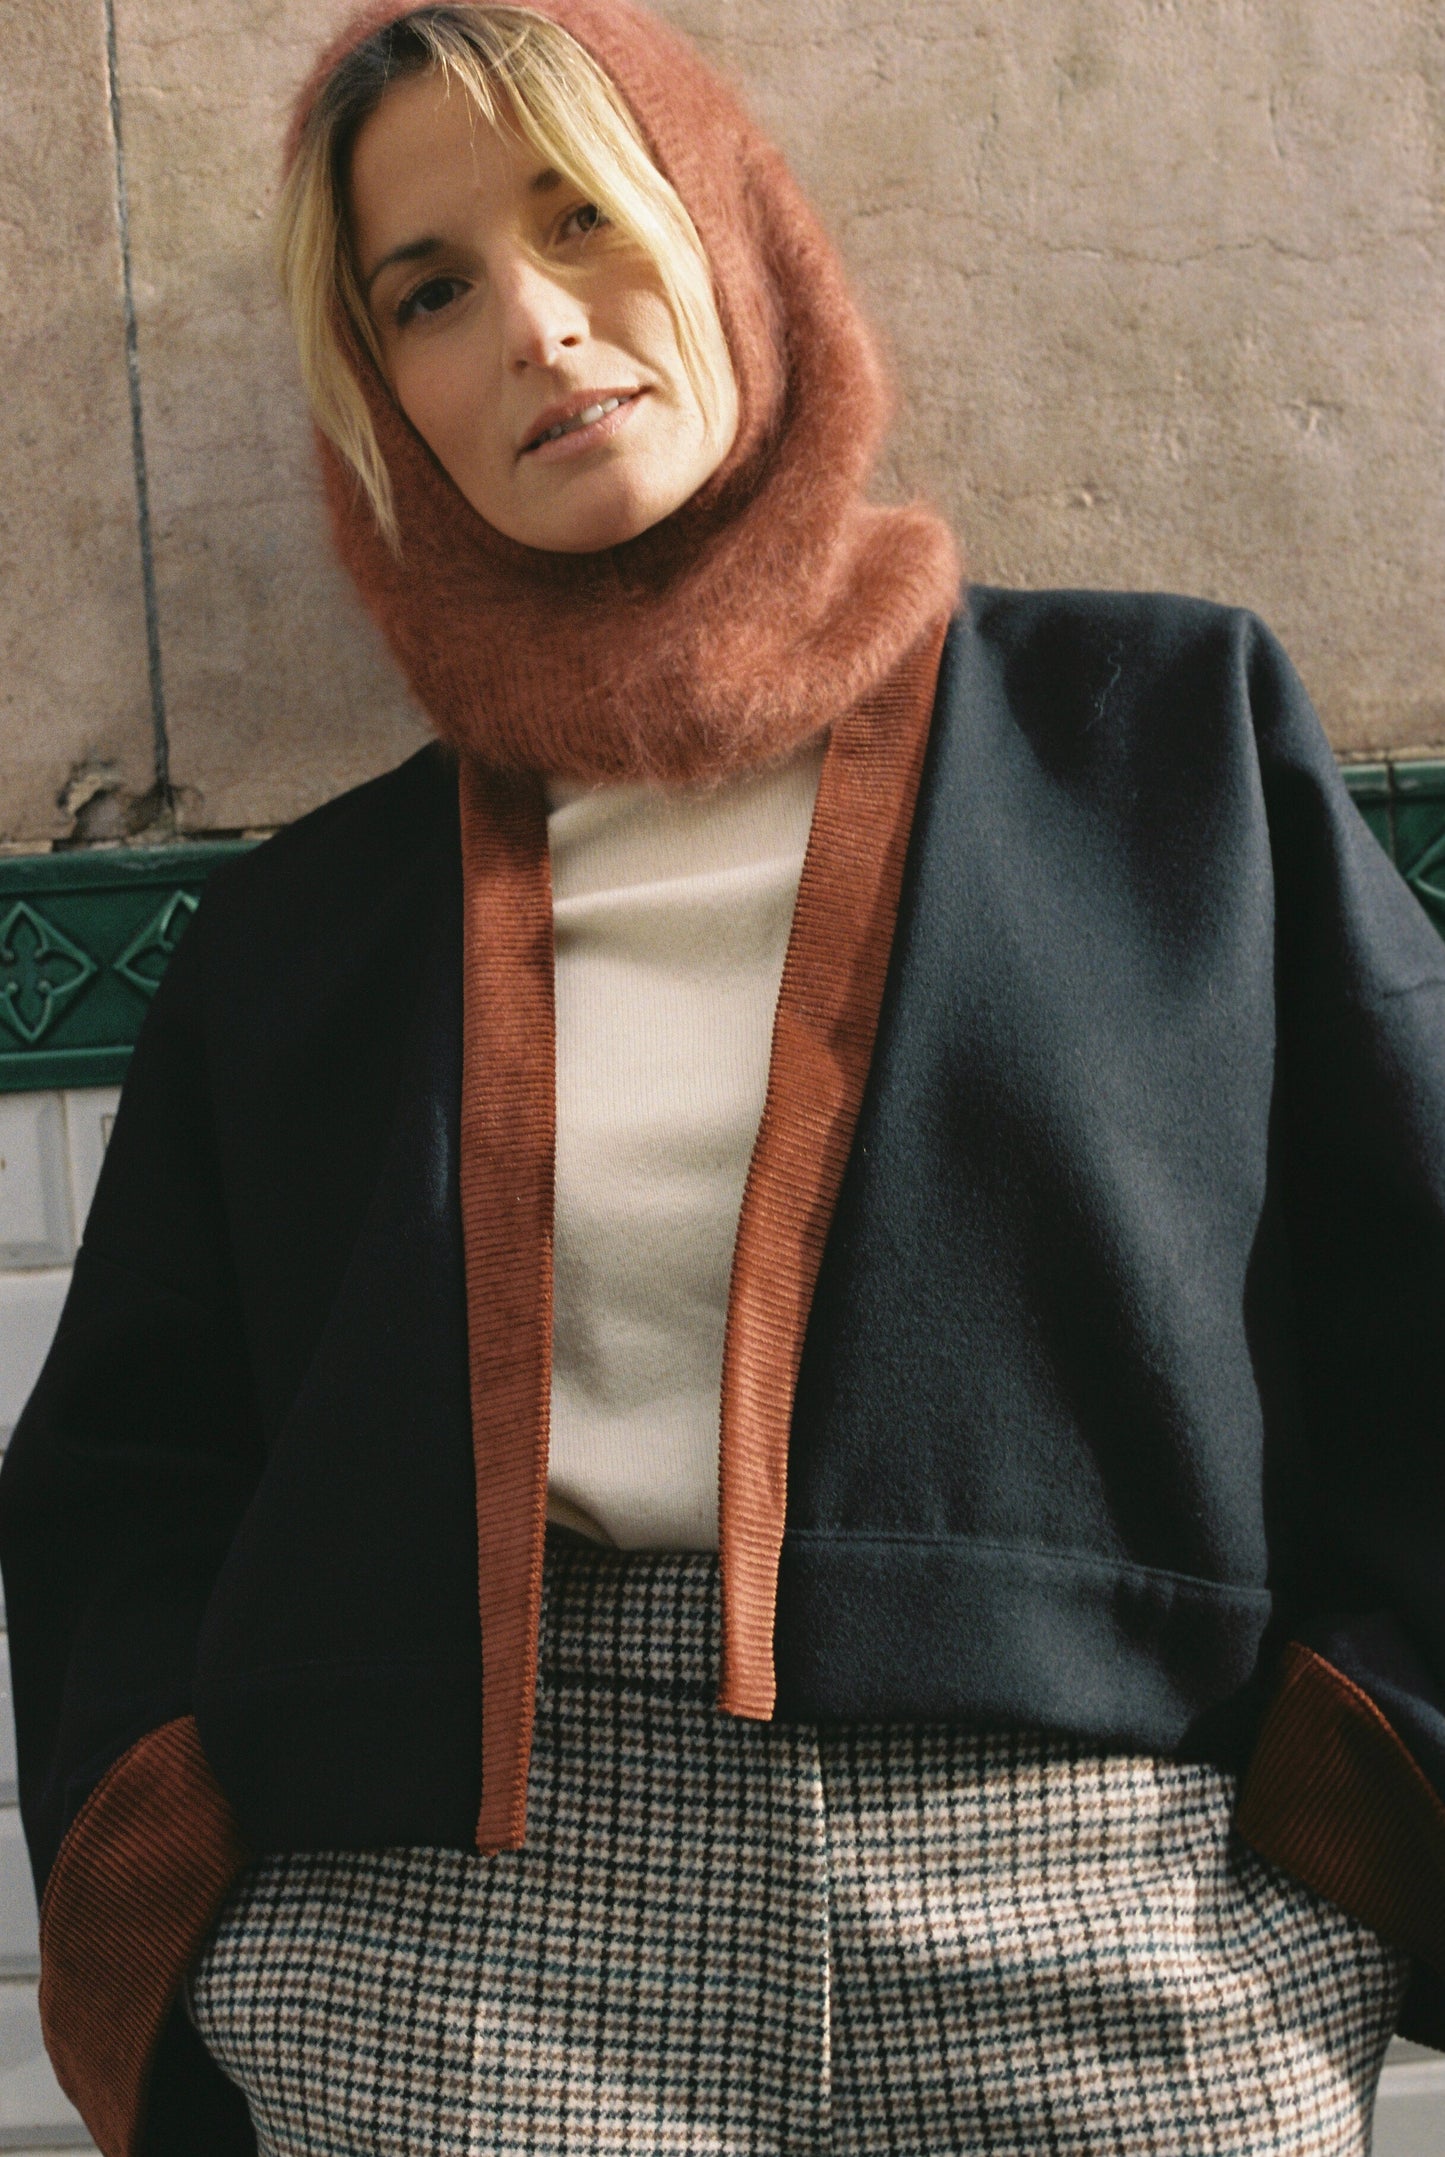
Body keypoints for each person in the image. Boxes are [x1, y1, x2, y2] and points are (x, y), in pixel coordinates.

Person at [7, 2, 1445, 2151]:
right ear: (382, 396)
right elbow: (118, 1478)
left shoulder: (1166, 738)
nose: (536, 326)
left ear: (731, 231)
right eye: (431, 291)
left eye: (585, 215)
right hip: (461, 1963)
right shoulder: (308, 934)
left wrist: (1346, 1846)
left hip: (1108, 1914)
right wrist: (227, 1942)